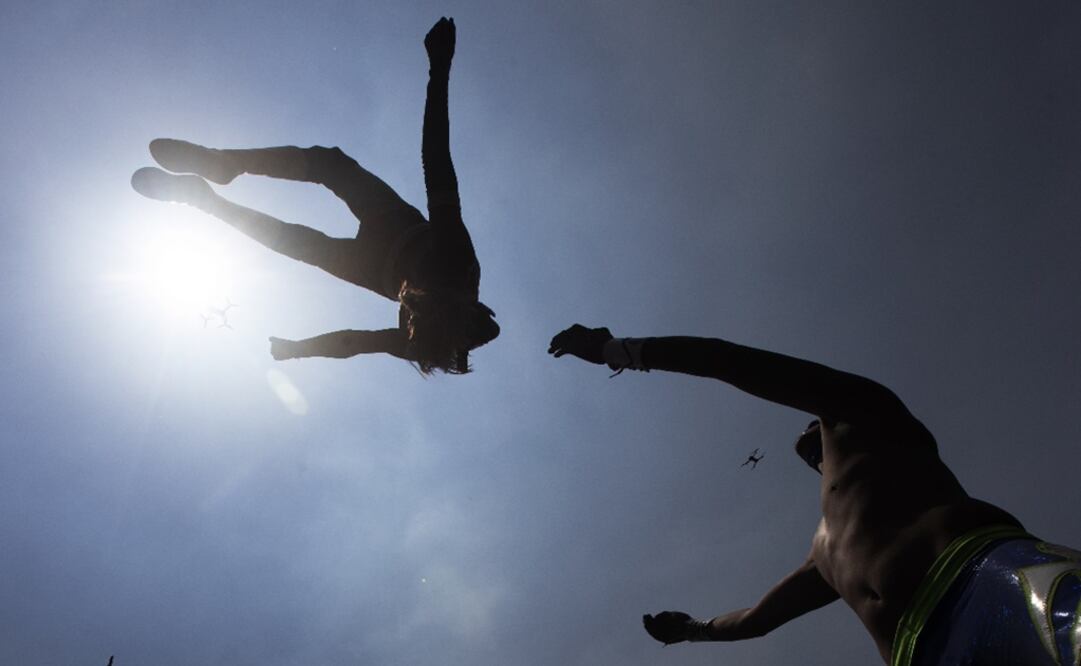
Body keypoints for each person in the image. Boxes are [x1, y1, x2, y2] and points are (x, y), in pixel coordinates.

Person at [548, 324, 1081, 665]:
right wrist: (691, 630)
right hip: (917, 654)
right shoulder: (826, 552)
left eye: (810, 423)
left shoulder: (865, 411)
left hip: (988, 582)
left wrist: (617, 349)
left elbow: (729, 361)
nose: (802, 435)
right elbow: (756, 620)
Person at [131, 17, 498, 374]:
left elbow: (355, 343)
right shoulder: (456, 259)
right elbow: (437, 162)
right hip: (393, 245)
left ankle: (215, 186)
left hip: (384, 258)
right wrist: (439, 68)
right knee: (306, 222)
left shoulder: (423, 333)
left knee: (316, 198)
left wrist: (300, 349)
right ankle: (217, 182)